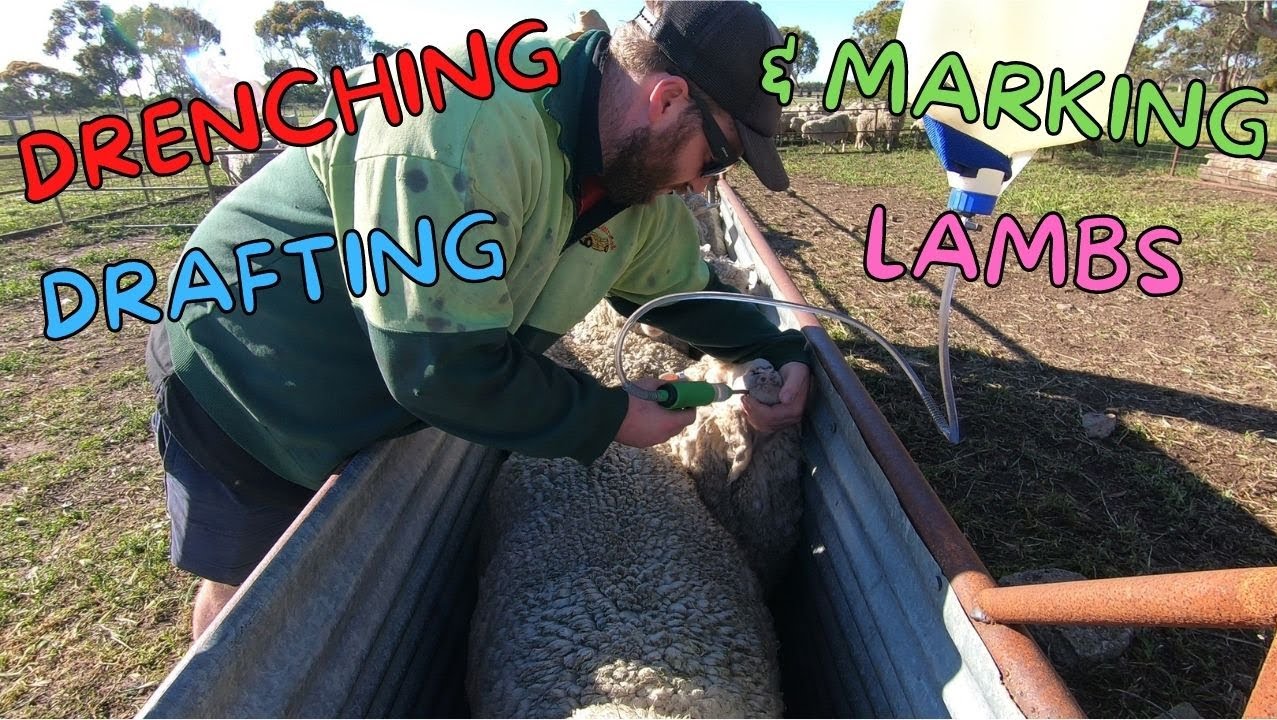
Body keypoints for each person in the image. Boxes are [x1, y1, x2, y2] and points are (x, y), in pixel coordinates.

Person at [147, 0, 812, 640]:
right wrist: (610, 417)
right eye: (718, 158)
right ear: (667, 100)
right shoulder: (458, 126)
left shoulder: (635, 193)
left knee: (327, 585)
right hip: (244, 355)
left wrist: (780, 353)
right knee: (255, 604)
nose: (705, 187)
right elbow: (440, 368)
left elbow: (689, 300)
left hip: (383, 378)